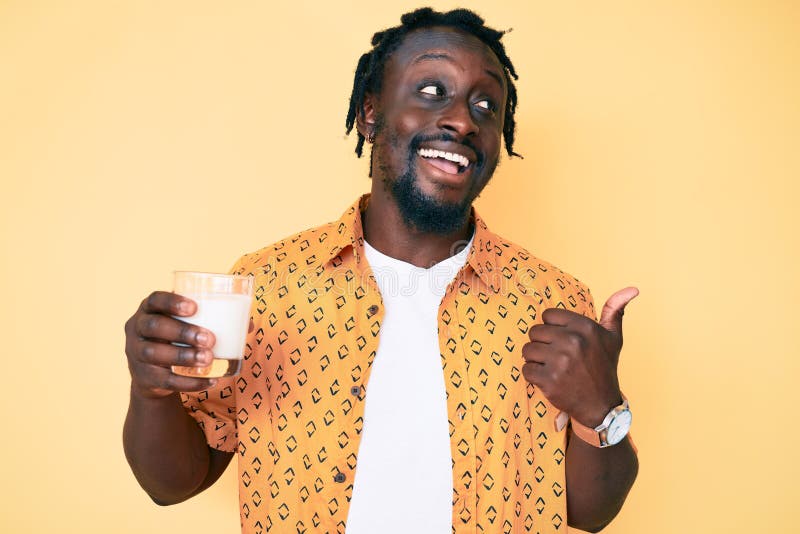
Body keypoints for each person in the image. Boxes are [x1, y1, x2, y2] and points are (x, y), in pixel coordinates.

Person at [123, 7, 638, 533]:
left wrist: (602, 409)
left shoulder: (551, 301)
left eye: (486, 105)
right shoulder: (270, 285)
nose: (464, 120)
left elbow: (588, 512)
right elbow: (173, 484)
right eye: (432, 91)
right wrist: (152, 391)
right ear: (370, 114)